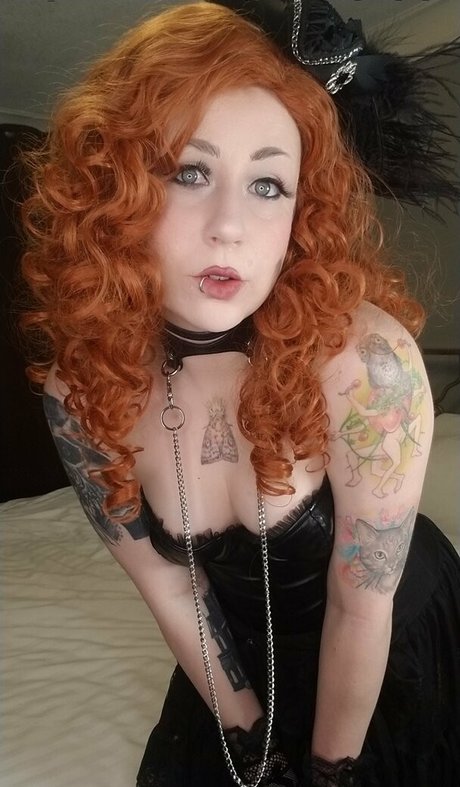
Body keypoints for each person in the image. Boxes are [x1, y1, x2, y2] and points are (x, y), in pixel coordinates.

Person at [20, 2, 460, 785]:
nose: (230, 226)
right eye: (190, 172)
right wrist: (252, 737)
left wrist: (325, 773)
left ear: (302, 211)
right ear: (114, 191)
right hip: (239, 661)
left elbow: (363, 604)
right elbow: (170, 586)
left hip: (388, 638)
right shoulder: (81, 389)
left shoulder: (368, 365)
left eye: (267, 184)